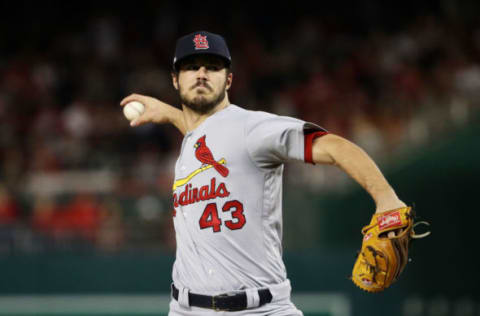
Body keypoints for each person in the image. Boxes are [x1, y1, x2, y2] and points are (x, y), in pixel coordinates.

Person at [120, 31, 407, 315]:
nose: (202, 74)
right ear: (175, 79)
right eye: (191, 67)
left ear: (229, 79)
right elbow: (207, 135)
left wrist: (386, 199)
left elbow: (334, 147)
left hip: (261, 309)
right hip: (185, 308)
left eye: (213, 66)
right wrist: (171, 115)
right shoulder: (193, 141)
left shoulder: (252, 128)